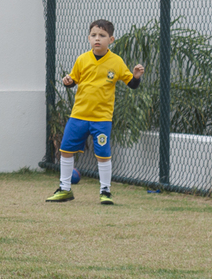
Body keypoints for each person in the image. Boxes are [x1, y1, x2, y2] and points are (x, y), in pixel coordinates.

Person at [47, 19, 144, 205]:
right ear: (89, 38)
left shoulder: (116, 62)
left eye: (102, 35)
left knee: (103, 155)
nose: (97, 39)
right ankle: (64, 189)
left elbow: (131, 84)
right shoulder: (82, 59)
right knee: (66, 151)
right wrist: (68, 82)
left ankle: (105, 191)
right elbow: (73, 80)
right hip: (78, 116)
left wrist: (137, 77)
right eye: (93, 35)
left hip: (102, 119)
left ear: (111, 39)